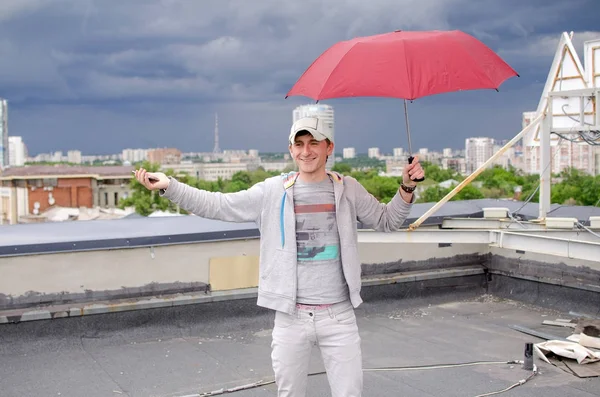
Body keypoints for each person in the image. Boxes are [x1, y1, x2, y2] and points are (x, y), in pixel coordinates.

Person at [134, 116, 424, 397]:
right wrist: (170, 187)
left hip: (339, 317)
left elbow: (387, 220)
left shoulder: (347, 189)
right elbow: (219, 205)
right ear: (291, 149)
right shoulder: (273, 191)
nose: (306, 151)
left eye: (314, 143)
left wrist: (407, 186)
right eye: (299, 144)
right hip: (291, 317)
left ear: (329, 147)